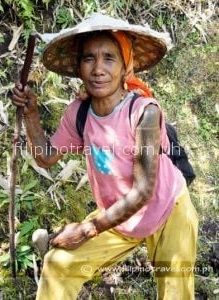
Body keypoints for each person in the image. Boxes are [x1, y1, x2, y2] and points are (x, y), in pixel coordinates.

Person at [12, 13, 198, 300]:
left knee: (175, 293)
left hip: (167, 210)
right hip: (119, 216)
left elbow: (144, 190)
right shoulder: (80, 113)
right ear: (79, 67)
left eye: (109, 58)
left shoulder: (145, 113)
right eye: (89, 58)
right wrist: (31, 112)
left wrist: (87, 229)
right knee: (58, 265)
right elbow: (46, 157)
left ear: (126, 67)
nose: (98, 69)